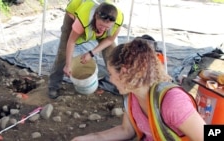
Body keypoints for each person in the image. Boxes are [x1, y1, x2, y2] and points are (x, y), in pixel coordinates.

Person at [71, 37, 206, 141]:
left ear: (124, 72)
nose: (110, 80)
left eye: (111, 74)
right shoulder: (132, 97)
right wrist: (87, 138)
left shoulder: (172, 101)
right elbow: (126, 130)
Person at [48, 0, 124, 99]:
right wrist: (68, 64)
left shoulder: (118, 19)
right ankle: (54, 85)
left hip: (95, 17)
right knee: (63, 51)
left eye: (107, 27)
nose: (103, 29)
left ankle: (119, 84)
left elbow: (110, 40)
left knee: (112, 53)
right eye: (101, 25)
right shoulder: (83, 19)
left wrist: (91, 53)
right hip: (74, 13)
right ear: (96, 16)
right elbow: (71, 42)